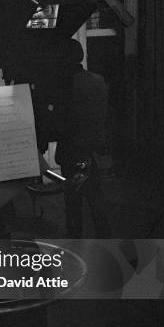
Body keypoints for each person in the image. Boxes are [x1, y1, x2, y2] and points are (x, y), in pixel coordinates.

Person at [53, 39, 112, 238]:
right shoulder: (98, 80)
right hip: (94, 148)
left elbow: (60, 122)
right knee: (96, 197)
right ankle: (104, 238)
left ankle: (76, 242)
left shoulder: (65, 86)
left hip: (73, 149)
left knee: (73, 200)